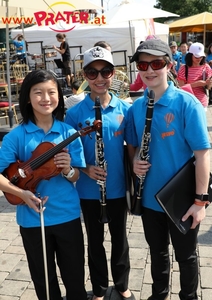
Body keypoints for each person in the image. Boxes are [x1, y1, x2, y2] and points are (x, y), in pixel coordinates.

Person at [129, 39, 210, 300]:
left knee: (186, 256)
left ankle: (189, 296)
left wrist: (200, 201)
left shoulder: (187, 103)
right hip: (151, 198)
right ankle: (159, 294)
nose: (149, 70)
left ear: (170, 65)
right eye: (143, 64)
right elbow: (132, 146)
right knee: (157, 253)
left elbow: (202, 155)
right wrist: (134, 162)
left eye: (157, 63)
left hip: (182, 199)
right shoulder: (137, 107)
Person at [0, 69, 87, 300]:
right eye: (38, 92)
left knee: (75, 278)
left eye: (51, 92)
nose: (45, 98)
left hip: (67, 215)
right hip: (32, 220)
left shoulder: (68, 133)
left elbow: (76, 176)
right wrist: (22, 193)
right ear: (28, 98)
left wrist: (68, 169)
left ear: (59, 96)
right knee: (44, 282)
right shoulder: (16, 136)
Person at [65, 46, 135, 300]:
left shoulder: (124, 109)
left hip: (117, 186)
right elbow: (70, 153)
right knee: (94, 242)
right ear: (84, 75)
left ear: (113, 73)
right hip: (88, 189)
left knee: (120, 239)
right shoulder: (74, 114)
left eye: (105, 71)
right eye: (92, 73)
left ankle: (122, 283)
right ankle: (99, 288)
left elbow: (132, 149)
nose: (99, 78)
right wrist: (85, 168)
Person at [177, 42, 212, 110]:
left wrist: (209, 83)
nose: (199, 58)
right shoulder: (183, 69)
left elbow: (208, 87)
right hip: (187, 103)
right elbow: (181, 87)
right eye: (196, 56)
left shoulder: (206, 67)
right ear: (190, 55)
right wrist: (197, 84)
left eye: (201, 56)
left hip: (202, 103)